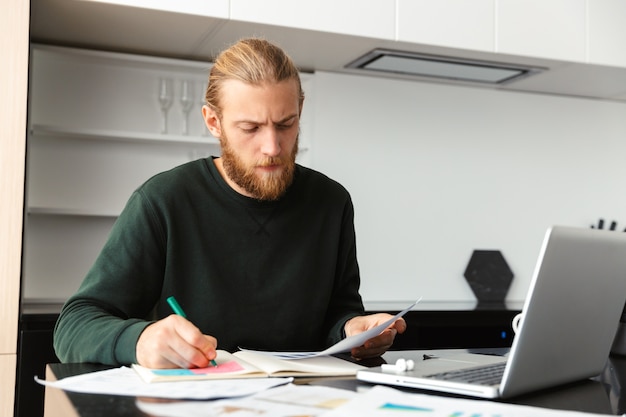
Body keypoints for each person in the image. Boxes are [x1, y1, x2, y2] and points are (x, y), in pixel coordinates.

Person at [53, 38, 406, 369]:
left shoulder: (332, 202)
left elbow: (338, 315)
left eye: (286, 124)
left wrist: (354, 330)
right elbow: (74, 325)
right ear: (213, 122)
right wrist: (141, 339)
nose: (272, 147)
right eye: (250, 128)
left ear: (300, 110)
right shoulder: (163, 200)